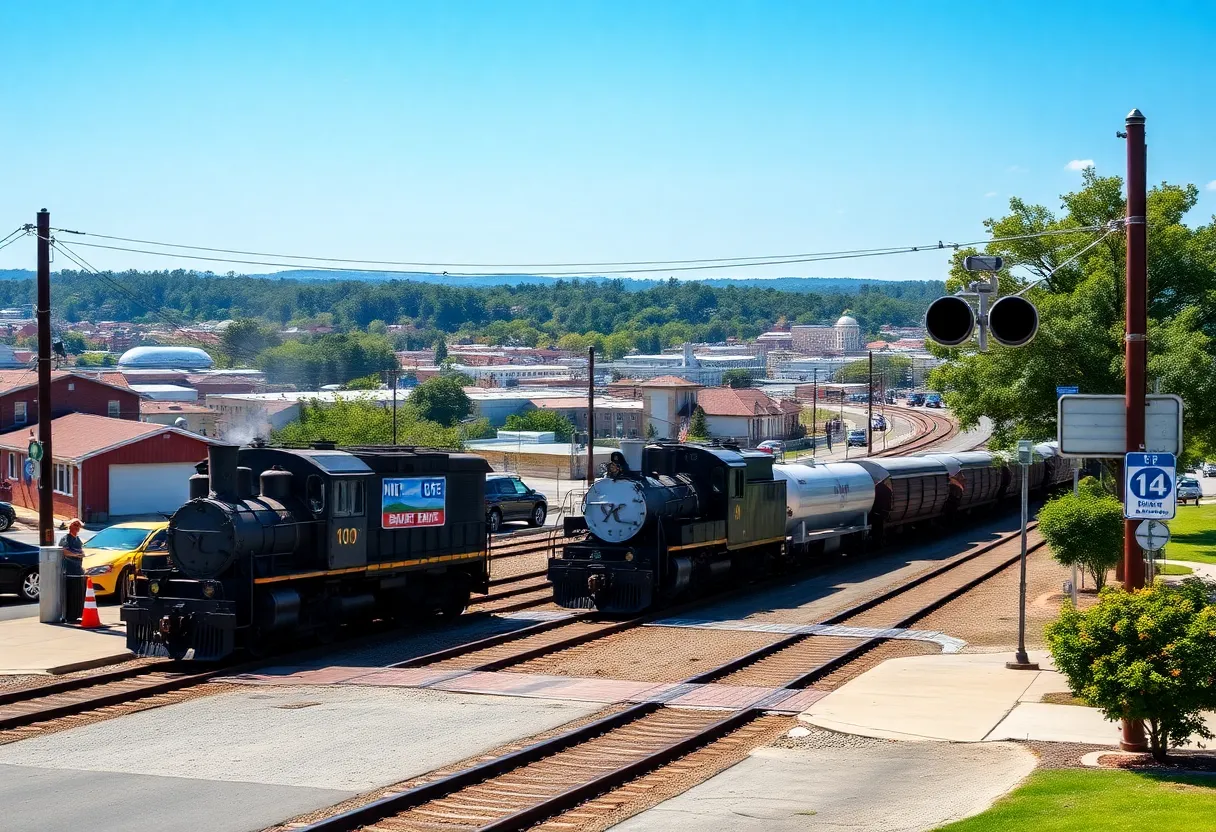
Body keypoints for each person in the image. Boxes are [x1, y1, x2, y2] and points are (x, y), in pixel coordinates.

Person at [59, 519, 85, 623]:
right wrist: (75, 555)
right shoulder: (66, 539)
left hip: (78, 570)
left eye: (78, 526)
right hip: (69, 571)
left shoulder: (78, 540)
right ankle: (69, 616)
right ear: (70, 526)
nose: (76, 528)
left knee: (78, 593)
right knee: (70, 593)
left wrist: (82, 554)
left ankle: (77, 614)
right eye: (74, 525)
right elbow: (64, 551)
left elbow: (81, 550)